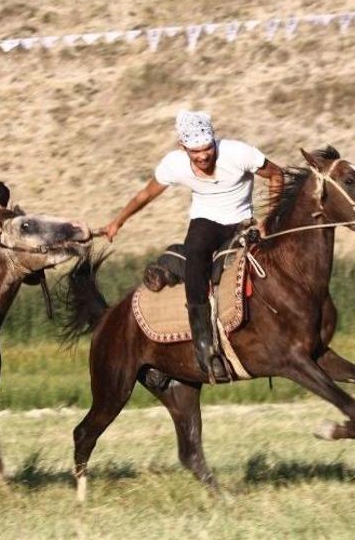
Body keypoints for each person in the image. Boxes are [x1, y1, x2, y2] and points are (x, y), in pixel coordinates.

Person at [101, 110, 284, 379]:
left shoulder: (238, 153)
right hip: (206, 221)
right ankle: (203, 344)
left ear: (214, 141)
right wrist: (118, 221)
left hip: (242, 222)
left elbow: (277, 175)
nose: (203, 156)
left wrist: (268, 220)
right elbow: (145, 195)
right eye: (195, 151)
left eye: (207, 149)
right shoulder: (173, 165)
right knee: (197, 254)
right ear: (182, 147)